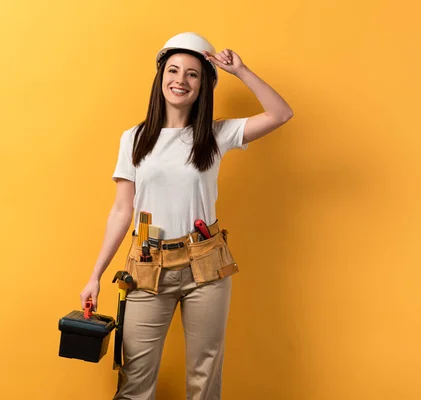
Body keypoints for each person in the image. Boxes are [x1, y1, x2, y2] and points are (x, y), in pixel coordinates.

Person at [79, 32, 293, 400]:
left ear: (204, 84)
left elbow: (281, 113)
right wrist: (95, 275)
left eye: (192, 74)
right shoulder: (134, 138)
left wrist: (240, 71)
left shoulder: (216, 134)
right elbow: (121, 209)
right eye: (173, 70)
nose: (180, 80)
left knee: (204, 378)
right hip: (147, 265)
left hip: (205, 265)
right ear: (161, 77)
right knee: (134, 380)